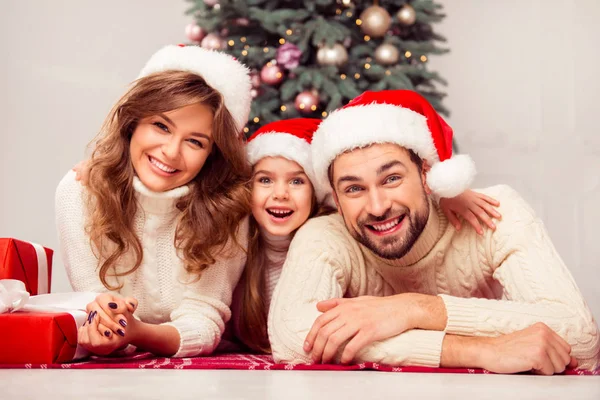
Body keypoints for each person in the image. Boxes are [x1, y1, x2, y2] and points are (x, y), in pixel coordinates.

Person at [268, 90, 599, 374]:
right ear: (337, 202)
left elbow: (581, 337)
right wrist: (479, 351)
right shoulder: (325, 235)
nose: (378, 206)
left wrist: (412, 309)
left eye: (392, 179)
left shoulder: (494, 211)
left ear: (427, 175)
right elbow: (292, 339)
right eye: (354, 189)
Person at [230, 118, 500, 354]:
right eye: (265, 180)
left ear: (320, 193)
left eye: (297, 181)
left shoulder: (332, 234)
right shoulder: (235, 239)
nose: (280, 194)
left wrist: (448, 192)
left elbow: (378, 187)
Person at [55, 45, 252, 357]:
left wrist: (137, 333)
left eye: (195, 142)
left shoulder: (227, 208)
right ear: (133, 123)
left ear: (211, 155)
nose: (171, 152)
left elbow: (204, 319)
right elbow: (93, 303)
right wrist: (106, 326)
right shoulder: (79, 193)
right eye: (161, 126)